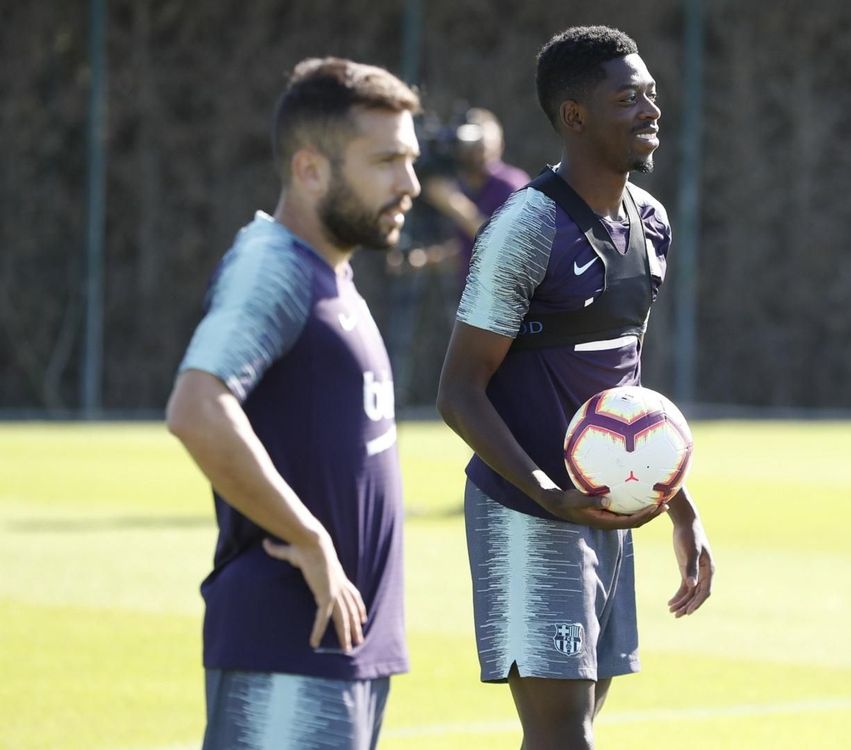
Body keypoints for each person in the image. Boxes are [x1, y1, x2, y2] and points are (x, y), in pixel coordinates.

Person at [436, 26, 715, 750]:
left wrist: (680, 506)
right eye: (628, 98)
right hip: (524, 512)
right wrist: (545, 493)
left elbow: (625, 387)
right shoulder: (526, 227)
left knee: (574, 730)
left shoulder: (650, 223)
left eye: (651, 94)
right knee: (564, 737)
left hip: (608, 509)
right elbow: (458, 391)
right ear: (575, 116)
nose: (651, 109)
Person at [165, 57, 421, 749]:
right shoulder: (272, 267)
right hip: (287, 643)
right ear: (310, 169)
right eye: (386, 161)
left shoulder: (332, 276)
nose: (410, 183)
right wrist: (310, 539)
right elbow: (197, 406)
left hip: (342, 649)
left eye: (411, 160)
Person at [420, 108, 530, 285]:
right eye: (474, 145)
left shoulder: (510, 184)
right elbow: (469, 250)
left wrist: (454, 204)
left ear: (500, 146)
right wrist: (427, 260)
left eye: (486, 145)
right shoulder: (466, 187)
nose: (480, 152)